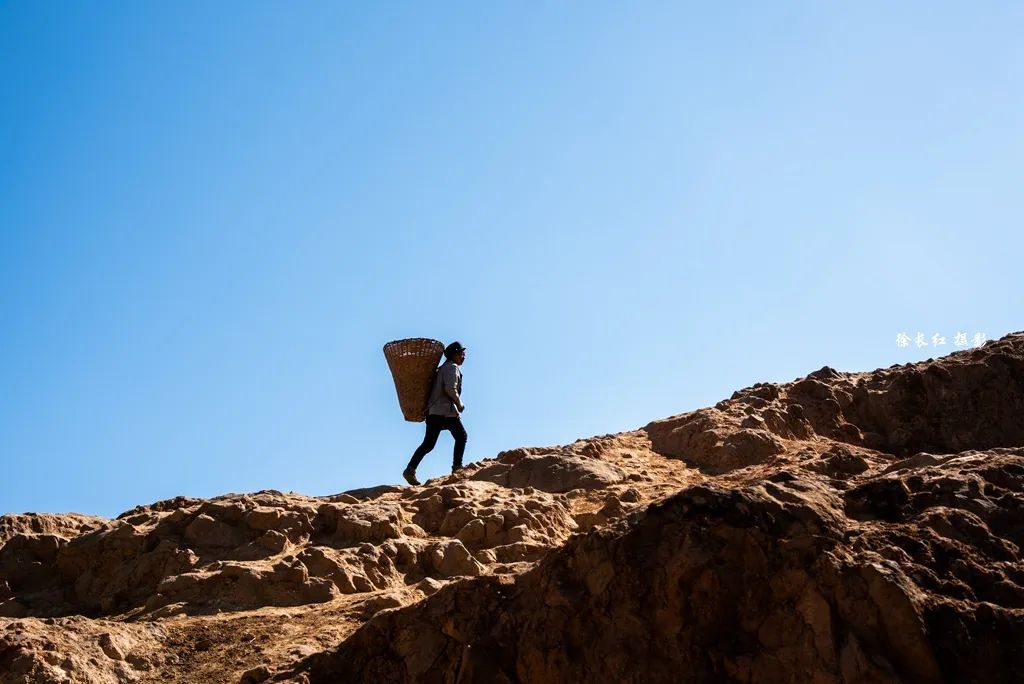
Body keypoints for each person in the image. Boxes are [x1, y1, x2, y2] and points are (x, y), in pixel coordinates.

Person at [403, 341, 468, 486]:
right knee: (461, 436)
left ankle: (410, 469)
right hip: (444, 412)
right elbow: (450, 389)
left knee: (428, 444)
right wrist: (460, 403)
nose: (464, 356)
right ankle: (457, 468)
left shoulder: (443, 368)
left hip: (434, 412)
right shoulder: (452, 368)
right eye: (461, 353)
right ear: (454, 354)